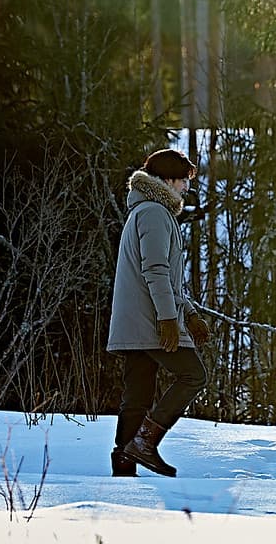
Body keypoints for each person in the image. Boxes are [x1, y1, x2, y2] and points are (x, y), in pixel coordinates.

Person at [107, 148, 211, 477]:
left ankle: (124, 463)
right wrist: (168, 319)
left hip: (137, 321)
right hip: (150, 320)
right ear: (167, 180)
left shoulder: (145, 210)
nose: (186, 187)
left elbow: (165, 277)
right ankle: (145, 443)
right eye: (182, 181)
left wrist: (189, 314)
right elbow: (155, 271)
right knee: (194, 375)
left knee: (137, 394)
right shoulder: (154, 212)